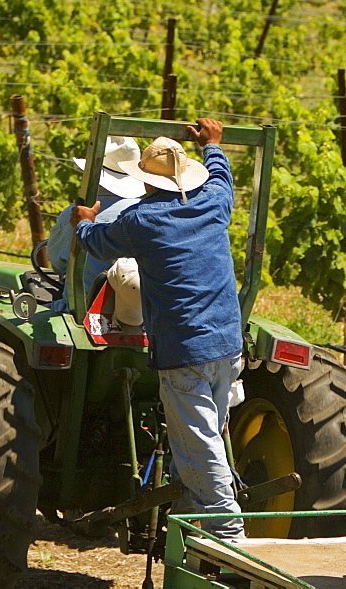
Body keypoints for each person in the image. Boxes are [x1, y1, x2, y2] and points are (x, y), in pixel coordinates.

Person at [70, 118, 245, 540]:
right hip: (229, 344)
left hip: (185, 349)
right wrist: (214, 145)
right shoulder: (215, 202)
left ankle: (229, 535)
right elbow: (222, 176)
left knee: (198, 451)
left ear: (144, 182)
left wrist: (83, 221)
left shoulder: (143, 220)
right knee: (208, 443)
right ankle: (193, 534)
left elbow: (96, 242)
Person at [45, 136, 145, 312]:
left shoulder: (74, 215)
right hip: (139, 314)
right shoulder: (147, 215)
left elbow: (58, 265)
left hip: (81, 312)